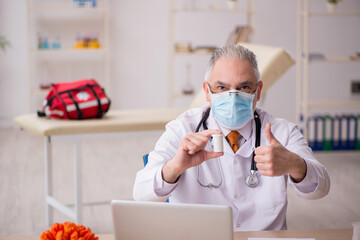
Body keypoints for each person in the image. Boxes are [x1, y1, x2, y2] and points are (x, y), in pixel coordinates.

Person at [133, 44, 330, 231]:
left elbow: (320, 190)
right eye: (221, 88)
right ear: (207, 92)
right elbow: (141, 195)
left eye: (244, 87)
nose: (233, 97)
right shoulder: (182, 129)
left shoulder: (282, 132)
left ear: (258, 91)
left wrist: (296, 165)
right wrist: (174, 167)